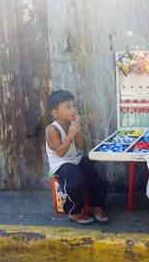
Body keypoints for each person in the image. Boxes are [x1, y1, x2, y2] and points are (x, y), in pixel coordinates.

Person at [45, 90, 109, 224]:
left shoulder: (71, 124)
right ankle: (74, 211)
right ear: (55, 112)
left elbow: (80, 147)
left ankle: (96, 205)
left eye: (74, 106)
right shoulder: (52, 129)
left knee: (94, 175)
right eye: (68, 107)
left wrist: (77, 130)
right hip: (61, 164)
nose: (73, 109)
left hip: (75, 159)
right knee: (76, 179)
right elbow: (60, 153)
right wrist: (70, 134)